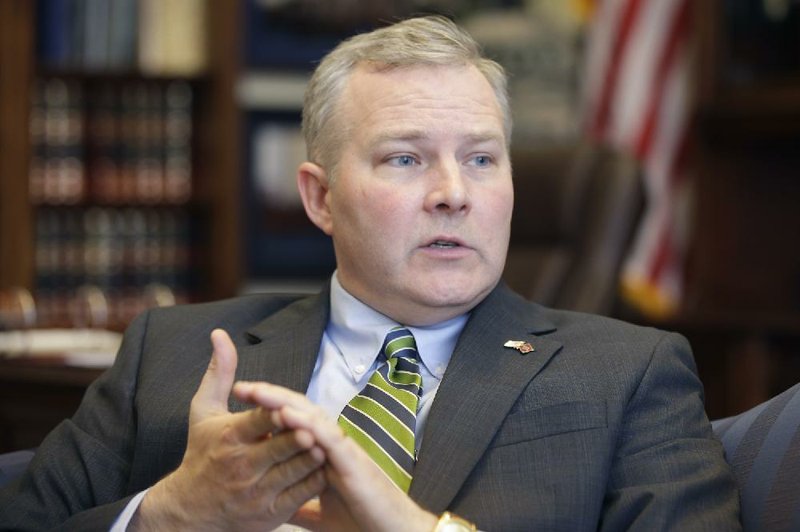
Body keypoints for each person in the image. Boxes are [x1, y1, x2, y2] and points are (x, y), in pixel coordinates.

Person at [0, 15, 740, 531]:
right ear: (320, 198)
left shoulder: (627, 374)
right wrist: (168, 517)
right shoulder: (176, 351)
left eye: (482, 158)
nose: (454, 191)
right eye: (405, 158)